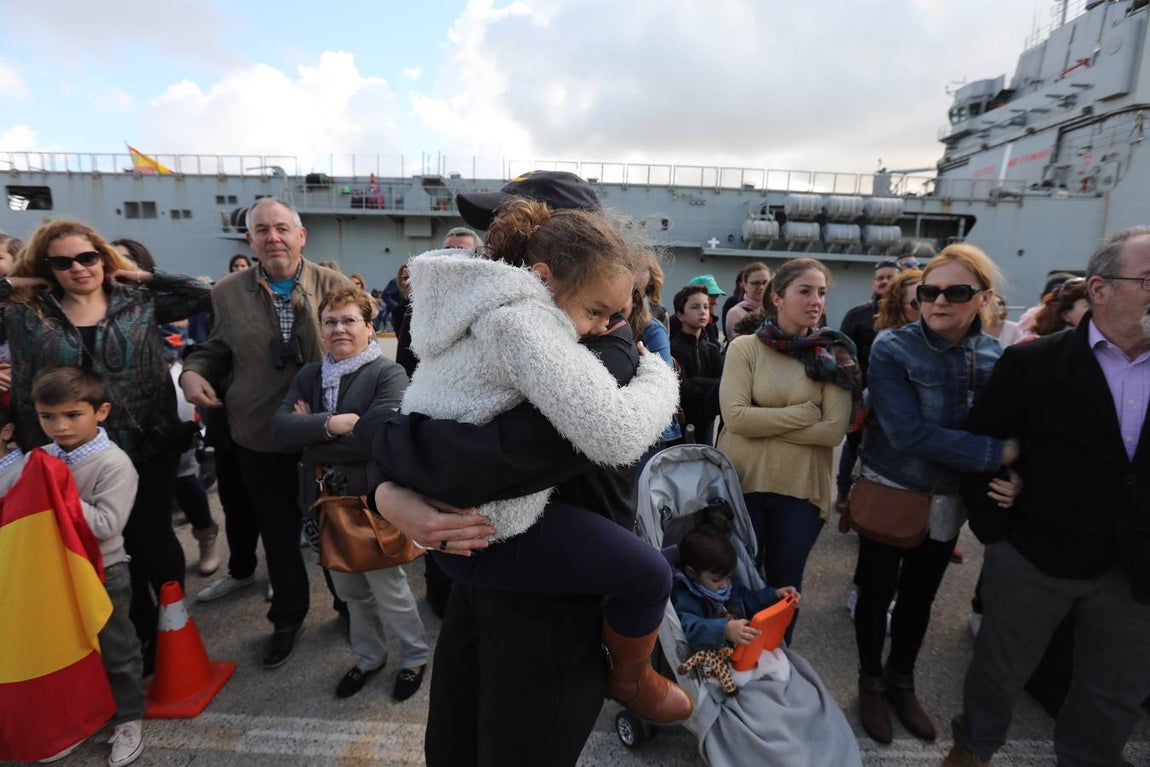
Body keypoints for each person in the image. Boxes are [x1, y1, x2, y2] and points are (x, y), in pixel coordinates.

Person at [399, 197, 685, 719]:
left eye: (613, 315)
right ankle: (631, 678)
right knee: (650, 576)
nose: (602, 328)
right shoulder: (524, 323)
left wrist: (390, 490)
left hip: (452, 519)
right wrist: (661, 376)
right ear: (544, 277)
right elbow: (614, 431)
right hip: (487, 529)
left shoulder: (477, 304)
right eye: (594, 311)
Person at [947, 227, 1150, 767]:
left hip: (1137, 568)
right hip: (1037, 554)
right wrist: (998, 535)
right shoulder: (1033, 364)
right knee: (999, 669)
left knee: (1116, 691)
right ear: (1101, 289)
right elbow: (983, 446)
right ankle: (974, 748)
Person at [0, 219, 211, 665]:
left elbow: (206, 295)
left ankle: (171, 623)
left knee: (151, 536)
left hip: (146, 441)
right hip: (64, 450)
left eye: (87, 257)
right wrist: (15, 281)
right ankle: (132, 630)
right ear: (46, 267)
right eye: (62, 262)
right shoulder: (26, 312)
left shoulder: (139, 301)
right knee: (99, 547)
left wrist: (143, 275)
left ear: (102, 256)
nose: (78, 268)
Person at [853, 243, 1019, 746]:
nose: (939, 301)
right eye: (929, 291)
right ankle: (871, 684)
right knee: (877, 590)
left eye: (956, 291)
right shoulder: (893, 348)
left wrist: (1019, 469)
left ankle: (902, 681)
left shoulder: (997, 357)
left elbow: (1019, 424)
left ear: (984, 297)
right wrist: (999, 455)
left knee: (921, 597)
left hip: (950, 499)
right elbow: (906, 434)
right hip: (893, 489)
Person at [179, 197, 350, 669]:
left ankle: (347, 605)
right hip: (258, 431)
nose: (272, 237)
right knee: (277, 533)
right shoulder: (228, 292)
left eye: (281, 228)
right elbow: (215, 349)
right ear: (250, 240)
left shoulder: (334, 286)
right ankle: (287, 617)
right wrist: (193, 372)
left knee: (334, 526)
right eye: (261, 230)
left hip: (322, 433)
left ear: (301, 236)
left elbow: (357, 350)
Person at [271, 286, 429, 701]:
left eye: (348, 320)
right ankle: (369, 656)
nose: (339, 328)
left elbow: (374, 438)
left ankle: (414, 657)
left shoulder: (388, 373)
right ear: (321, 329)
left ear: (368, 326)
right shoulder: (309, 375)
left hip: (371, 500)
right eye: (330, 321)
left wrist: (311, 432)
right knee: (349, 592)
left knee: (389, 588)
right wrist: (337, 423)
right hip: (323, 503)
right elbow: (279, 430)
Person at [717, 257, 856, 643]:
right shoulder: (745, 349)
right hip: (743, 485)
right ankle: (735, 668)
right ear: (777, 297)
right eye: (805, 291)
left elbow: (832, 433)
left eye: (822, 293)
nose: (816, 301)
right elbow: (737, 418)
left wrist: (764, 423)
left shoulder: (834, 354)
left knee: (785, 589)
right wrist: (801, 413)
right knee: (735, 583)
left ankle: (777, 664)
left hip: (801, 492)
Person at [32, 366, 145, 767]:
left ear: (101, 411)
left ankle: (130, 718)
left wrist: (55, 489)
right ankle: (83, 718)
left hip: (105, 571)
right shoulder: (41, 458)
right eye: (47, 417)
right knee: (71, 650)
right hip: (53, 572)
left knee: (116, 648)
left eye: (71, 415)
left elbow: (106, 525)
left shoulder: (114, 464)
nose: (59, 426)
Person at [835, 259, 903, 512]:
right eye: (880, 277)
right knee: (853, 445)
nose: (884, 281)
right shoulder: (858, 315)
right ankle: (843, 492)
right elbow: (841, 351)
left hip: (895, 396)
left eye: (890, 277)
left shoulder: (907, 315)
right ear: (874, 283)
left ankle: (874, 500)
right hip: (861, 392)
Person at [672, 528, 800, 651]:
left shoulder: (732, 587)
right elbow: (688, 628)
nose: (724, 585)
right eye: (716, 580)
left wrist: (775, 595)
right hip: (708, 657)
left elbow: (752, 602)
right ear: (691, 572)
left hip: (740, 651)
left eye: (727, 577)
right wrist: (724, 630)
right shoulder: (685, 596)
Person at [670, 284, 724, 443]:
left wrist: (696, 381)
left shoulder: (712, 349)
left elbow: (723, 385)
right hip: (682, 426)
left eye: (706, 307)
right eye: (695, 307)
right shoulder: (674, 348)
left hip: (707, 423)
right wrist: (710, 388)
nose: (702, 311)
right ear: (680, 315)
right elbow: (684, 391)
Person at [723, 262, 771, 341]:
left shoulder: (778, 309)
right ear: (744, 285)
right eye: (755, 283)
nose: (761, 287)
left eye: (765, 282)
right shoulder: (736, 312)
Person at [874, 268, 923, 333]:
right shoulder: (889, 341)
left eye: (930, 300)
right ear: (898, 307)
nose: (927, 308)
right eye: (917, 303)